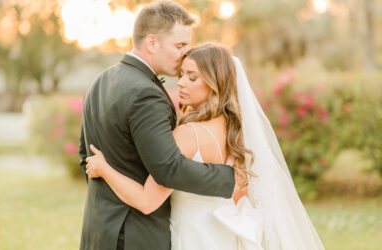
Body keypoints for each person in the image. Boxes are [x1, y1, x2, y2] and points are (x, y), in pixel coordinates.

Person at [86, 43, 325, 250]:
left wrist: (103, 168)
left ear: (215, 83)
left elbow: (147, 202)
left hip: (192, 237)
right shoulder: (239, 132)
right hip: (224, 238)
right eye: (181, 75)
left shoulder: (188, 134)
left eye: (192, 77)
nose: (181, 83)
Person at [78, 2, 237, 250]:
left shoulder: (101, 80)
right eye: (179, 46)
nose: (184, 53)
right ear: (152, 43)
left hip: (97, 231)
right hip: (136, 235)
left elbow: (84, 156)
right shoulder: (146, 94)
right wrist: (228, 177)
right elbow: (169, 168)